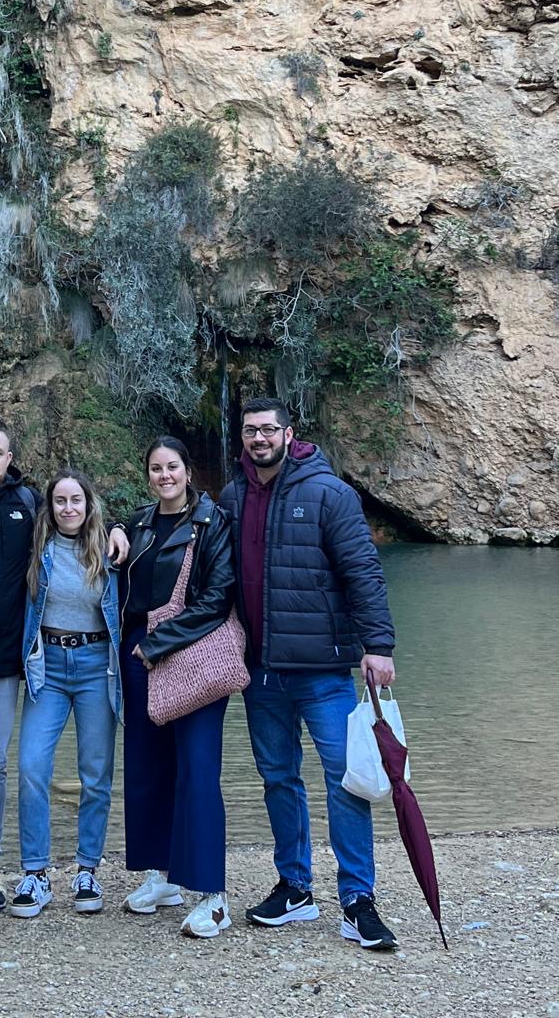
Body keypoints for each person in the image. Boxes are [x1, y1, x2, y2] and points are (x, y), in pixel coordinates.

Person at [0, 416, 131, 913]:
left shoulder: (61, 525)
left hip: (71, 664)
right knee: (14, 767)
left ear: (10, 458)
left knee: (81, 773)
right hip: (15, 664)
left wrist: (120, 527)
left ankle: (73, 871)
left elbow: (135, 528)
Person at [218, 398, 399, 952]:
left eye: (268, 429)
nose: (259, 439)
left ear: (288, 433)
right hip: (260, 671)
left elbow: (362, 570)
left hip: (323, 669)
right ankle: (295, 887)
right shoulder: (232, 496)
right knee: (278, 779)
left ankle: (357, 899)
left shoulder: (329, 493)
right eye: (250, 431)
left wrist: (378, 646)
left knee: (346, 778)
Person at [119, 437, 236, 939]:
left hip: (192, 655)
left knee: (198, 771)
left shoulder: (213, 522)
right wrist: (115, 528)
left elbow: (217, 598)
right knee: (147, 767)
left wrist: (158, 643)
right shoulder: (140, 522)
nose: (164, 475)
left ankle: (213, 894)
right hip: (139, 655)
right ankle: (163, 876)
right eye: (155, 468)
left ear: (188, 471)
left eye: (172, 467)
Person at [9, 471, 121, 919]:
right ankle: (35, 874)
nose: (69, 508)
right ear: (50, 507)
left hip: (96, 666)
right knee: (31, 766)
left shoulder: (109, 552)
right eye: (60, 501)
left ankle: (87, 870)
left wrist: (120, 528)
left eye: (76, 500)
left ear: (89, 505)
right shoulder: (36, 548)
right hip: (48, 667)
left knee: (96, 774)